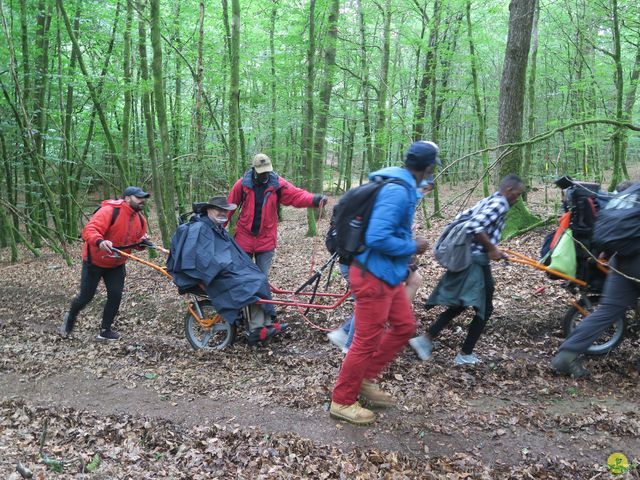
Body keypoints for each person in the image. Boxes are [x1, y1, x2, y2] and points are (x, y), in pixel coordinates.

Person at [329, 140, 437, 426]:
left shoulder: (403, 188)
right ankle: (342, 400)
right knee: (365, 341)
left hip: (388, 275)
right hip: (371, 276)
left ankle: (363, 380)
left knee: (404, 326)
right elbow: (377, 236)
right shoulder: (396, 192)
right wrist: (412, 246)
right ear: (427, 168)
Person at [409, 174, 525, 365]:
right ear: (509, 190)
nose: (518, 199)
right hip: (474, 263)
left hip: (469, 259)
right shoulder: (500, 203)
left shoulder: (490, 200)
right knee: (485, 309)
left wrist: (494, 249)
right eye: (518, 194)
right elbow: (474, 226)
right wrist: (490, 248)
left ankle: (425, 340)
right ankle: (465, 354)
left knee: (461, 304)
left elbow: (465, 220)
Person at [327, 180, 434, 353]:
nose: (423, 194)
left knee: (376, 303)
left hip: (357, 264)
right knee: (368, 307)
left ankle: (349, 336)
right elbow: (379, 240)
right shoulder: (387, 206)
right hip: (359, 266)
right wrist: (411, 244)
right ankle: (350, 346)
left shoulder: (379, 205)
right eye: (424, 189)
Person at [166, 196, 283, 345]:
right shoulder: (200, 228)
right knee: (251, 283)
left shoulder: (215, 227)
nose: (223, 213)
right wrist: (226, 266)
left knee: (258, 277)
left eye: (225, 210)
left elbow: (230, 252)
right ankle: (256, 329)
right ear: (208, 210)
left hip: (225, 270)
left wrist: (237, 266)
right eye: (219, 210)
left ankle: (266, 324)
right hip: (212, 275)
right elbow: (202, 259)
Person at [551, 182, 639, 377]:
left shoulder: (633, 192)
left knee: (608, 310)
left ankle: (566, 355)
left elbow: (622, 224)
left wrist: (606, 253)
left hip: (621, 258)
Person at [59, 186, 150, 340]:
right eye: (138, 197)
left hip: (116, 264)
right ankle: (70, 317)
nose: (142, 201)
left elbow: (136, 242)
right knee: (86, 297)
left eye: (143, 198)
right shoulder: (109, 211)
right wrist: (100, 241)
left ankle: (105, 330)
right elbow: (89, 230)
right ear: (127, 198)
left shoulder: (141, 219)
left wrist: (143, 243)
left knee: (115, 295)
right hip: (94, 262)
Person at [227, 153, 328, 275]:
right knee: (241, 276)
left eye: (267, 171)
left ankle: (260, 295)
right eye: (261, 172)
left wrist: (314, 200)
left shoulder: (278, 185)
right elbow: (228, 208)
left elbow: (296, 195)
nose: (265, 174)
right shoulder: (242, 185)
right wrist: (215, 228)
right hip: (244, 238)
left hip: (266, 239)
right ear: (254, 170)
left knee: (261, 279)